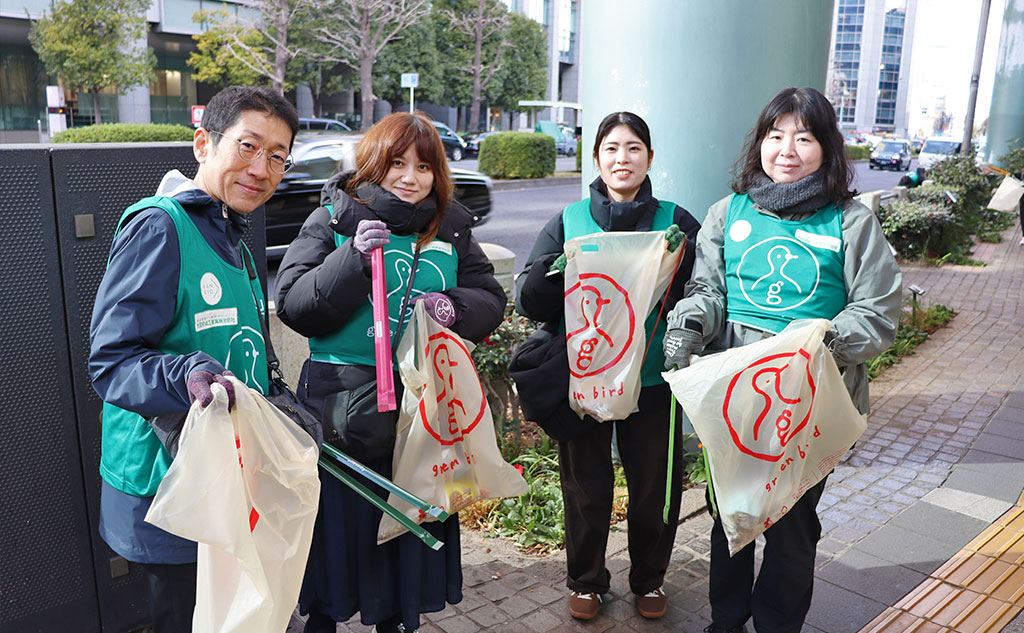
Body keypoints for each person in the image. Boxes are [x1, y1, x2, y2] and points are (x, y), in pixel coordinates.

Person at [663, 87, 901, 633]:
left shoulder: (851, 222)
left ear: (827, 148)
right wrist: (691, 322)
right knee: (729, 511)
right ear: (760, 144)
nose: (787, 149)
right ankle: (725, 620)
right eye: (775, 136)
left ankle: (777, 623)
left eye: (804, 136)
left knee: (792, 522)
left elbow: (878, 309)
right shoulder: (729, 212)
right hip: (737, 396)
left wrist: (819, 343)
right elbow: (710, 290)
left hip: (810, 397)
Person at [275, 111, 505, 633]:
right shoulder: (334, 218)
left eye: (424, 166)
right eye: (397, 162)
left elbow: (491, 298)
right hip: (341, 415)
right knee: (338, 535)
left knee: (406, 532)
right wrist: (352, 261)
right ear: (373, 165)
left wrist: (452, 305)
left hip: (424, 419)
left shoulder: (450, 228)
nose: (410, 176)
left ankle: (398, 621)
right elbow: (292, 304)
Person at [89, 85, 299, 633]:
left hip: (226, 477)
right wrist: (184, 374)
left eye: (277, 155)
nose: (262, 167)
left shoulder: (232, 233)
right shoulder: (161, 226)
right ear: (204, 143)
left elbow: (247, 353)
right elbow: (111, 361)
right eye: (249, 146)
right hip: (167, 483)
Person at [515, 111, 700, 621]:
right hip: (584, 376)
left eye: (634, 148)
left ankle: (649, 580)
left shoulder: (677, 223)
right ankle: (587, 581)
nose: (623, 158)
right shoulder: (569, 220)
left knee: (654, 489)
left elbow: (706, 291)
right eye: (612, 148)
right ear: (596, 157)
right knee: (584, 487)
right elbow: (530, 301)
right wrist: (557, 271)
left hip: (651, 379)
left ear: (650, 158)